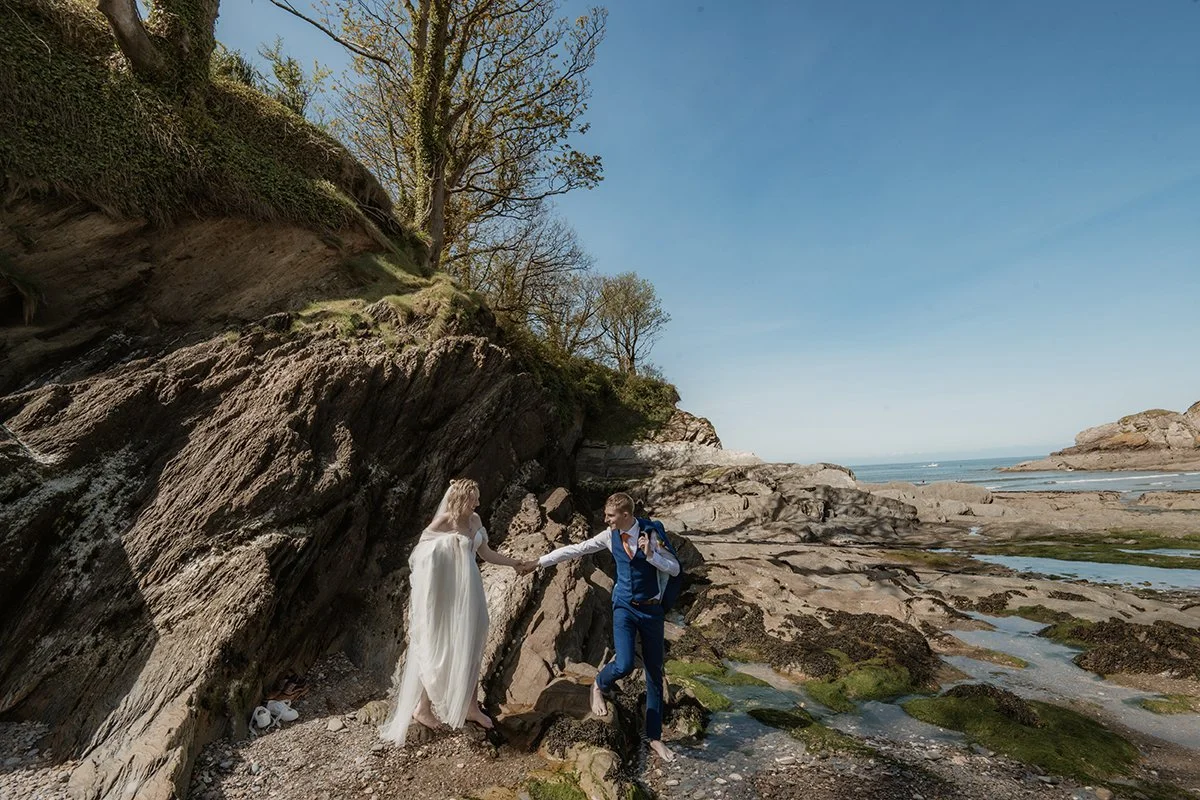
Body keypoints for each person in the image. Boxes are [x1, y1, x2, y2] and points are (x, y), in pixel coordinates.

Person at [520, 492, 680, 761]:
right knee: (625, 663)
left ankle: (654, 738)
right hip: (624, 608)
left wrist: (651, 556)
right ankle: (599, 684)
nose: (605, 519)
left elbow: (674, 569)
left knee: (654, 673)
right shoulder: (609, 536)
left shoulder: (652, 534)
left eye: (610, 515)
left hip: (652, 611)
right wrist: (538, 562)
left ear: (626, 515)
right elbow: (576, 549)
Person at [380, 478, 527, 746]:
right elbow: (420, 556)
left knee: (473, 645)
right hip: (449, 597)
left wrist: (514, 563)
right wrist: (448, 548)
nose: (479, 503)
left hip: (472, 594)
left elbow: (486, 553)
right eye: (474, 498)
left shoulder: (475, 519)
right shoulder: (444, 522)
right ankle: (422, 708)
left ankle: (471, 706)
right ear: (462, 498)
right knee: (441, 649)